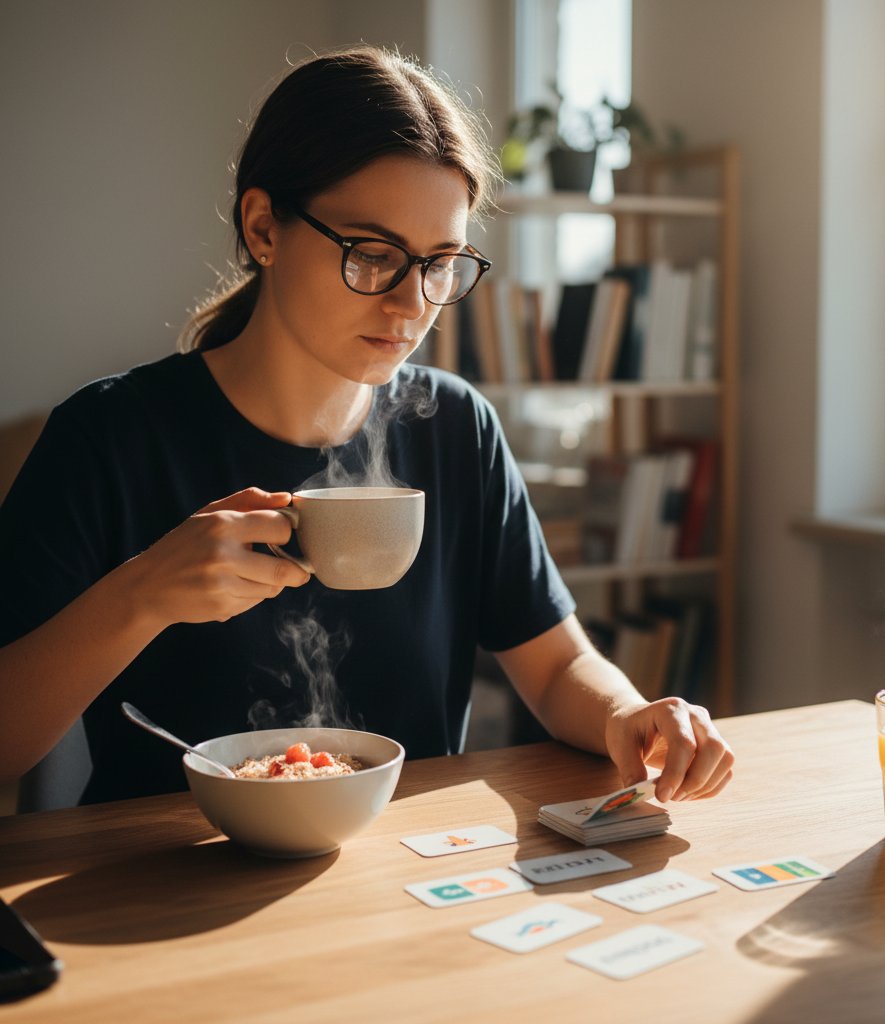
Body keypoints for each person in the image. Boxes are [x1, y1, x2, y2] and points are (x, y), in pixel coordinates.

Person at [0, 45, 733, 807]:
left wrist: (631, 714)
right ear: (263, 228)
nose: (412, 302)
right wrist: (141, 594)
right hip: (166, 883)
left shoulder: (455, 428)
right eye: (373, 253)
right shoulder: (109, 437)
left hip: (407, 876)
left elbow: (553, 667)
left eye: (440, 261)